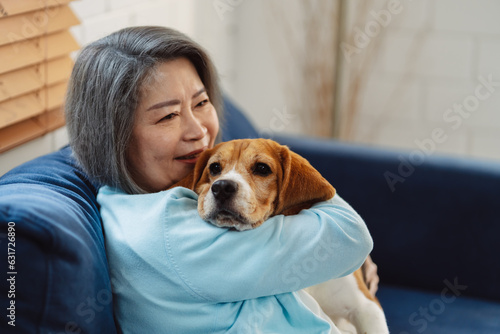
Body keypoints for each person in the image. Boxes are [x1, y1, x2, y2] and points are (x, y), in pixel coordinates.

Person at [65, 26, 377, 333]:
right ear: (113, 137)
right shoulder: (173, 238)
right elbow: (350, 237)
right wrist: (329, 239)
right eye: (168, 116)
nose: (199, 131)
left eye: (201, 103)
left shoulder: (128, 201)